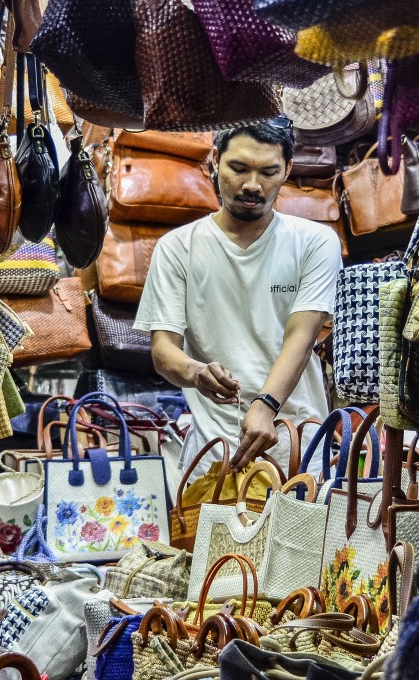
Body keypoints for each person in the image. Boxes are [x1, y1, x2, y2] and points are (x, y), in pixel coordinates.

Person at [133, 119, 342, 479]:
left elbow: (302, 336)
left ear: (288, 169)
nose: (252, 185)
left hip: (298, 444)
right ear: (215, 159)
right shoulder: (178, 248)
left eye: (269, 172)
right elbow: (163, 350)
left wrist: (266, 405)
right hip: (214, 454)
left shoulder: (315, 242)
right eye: (239, 168)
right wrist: (196, 372)